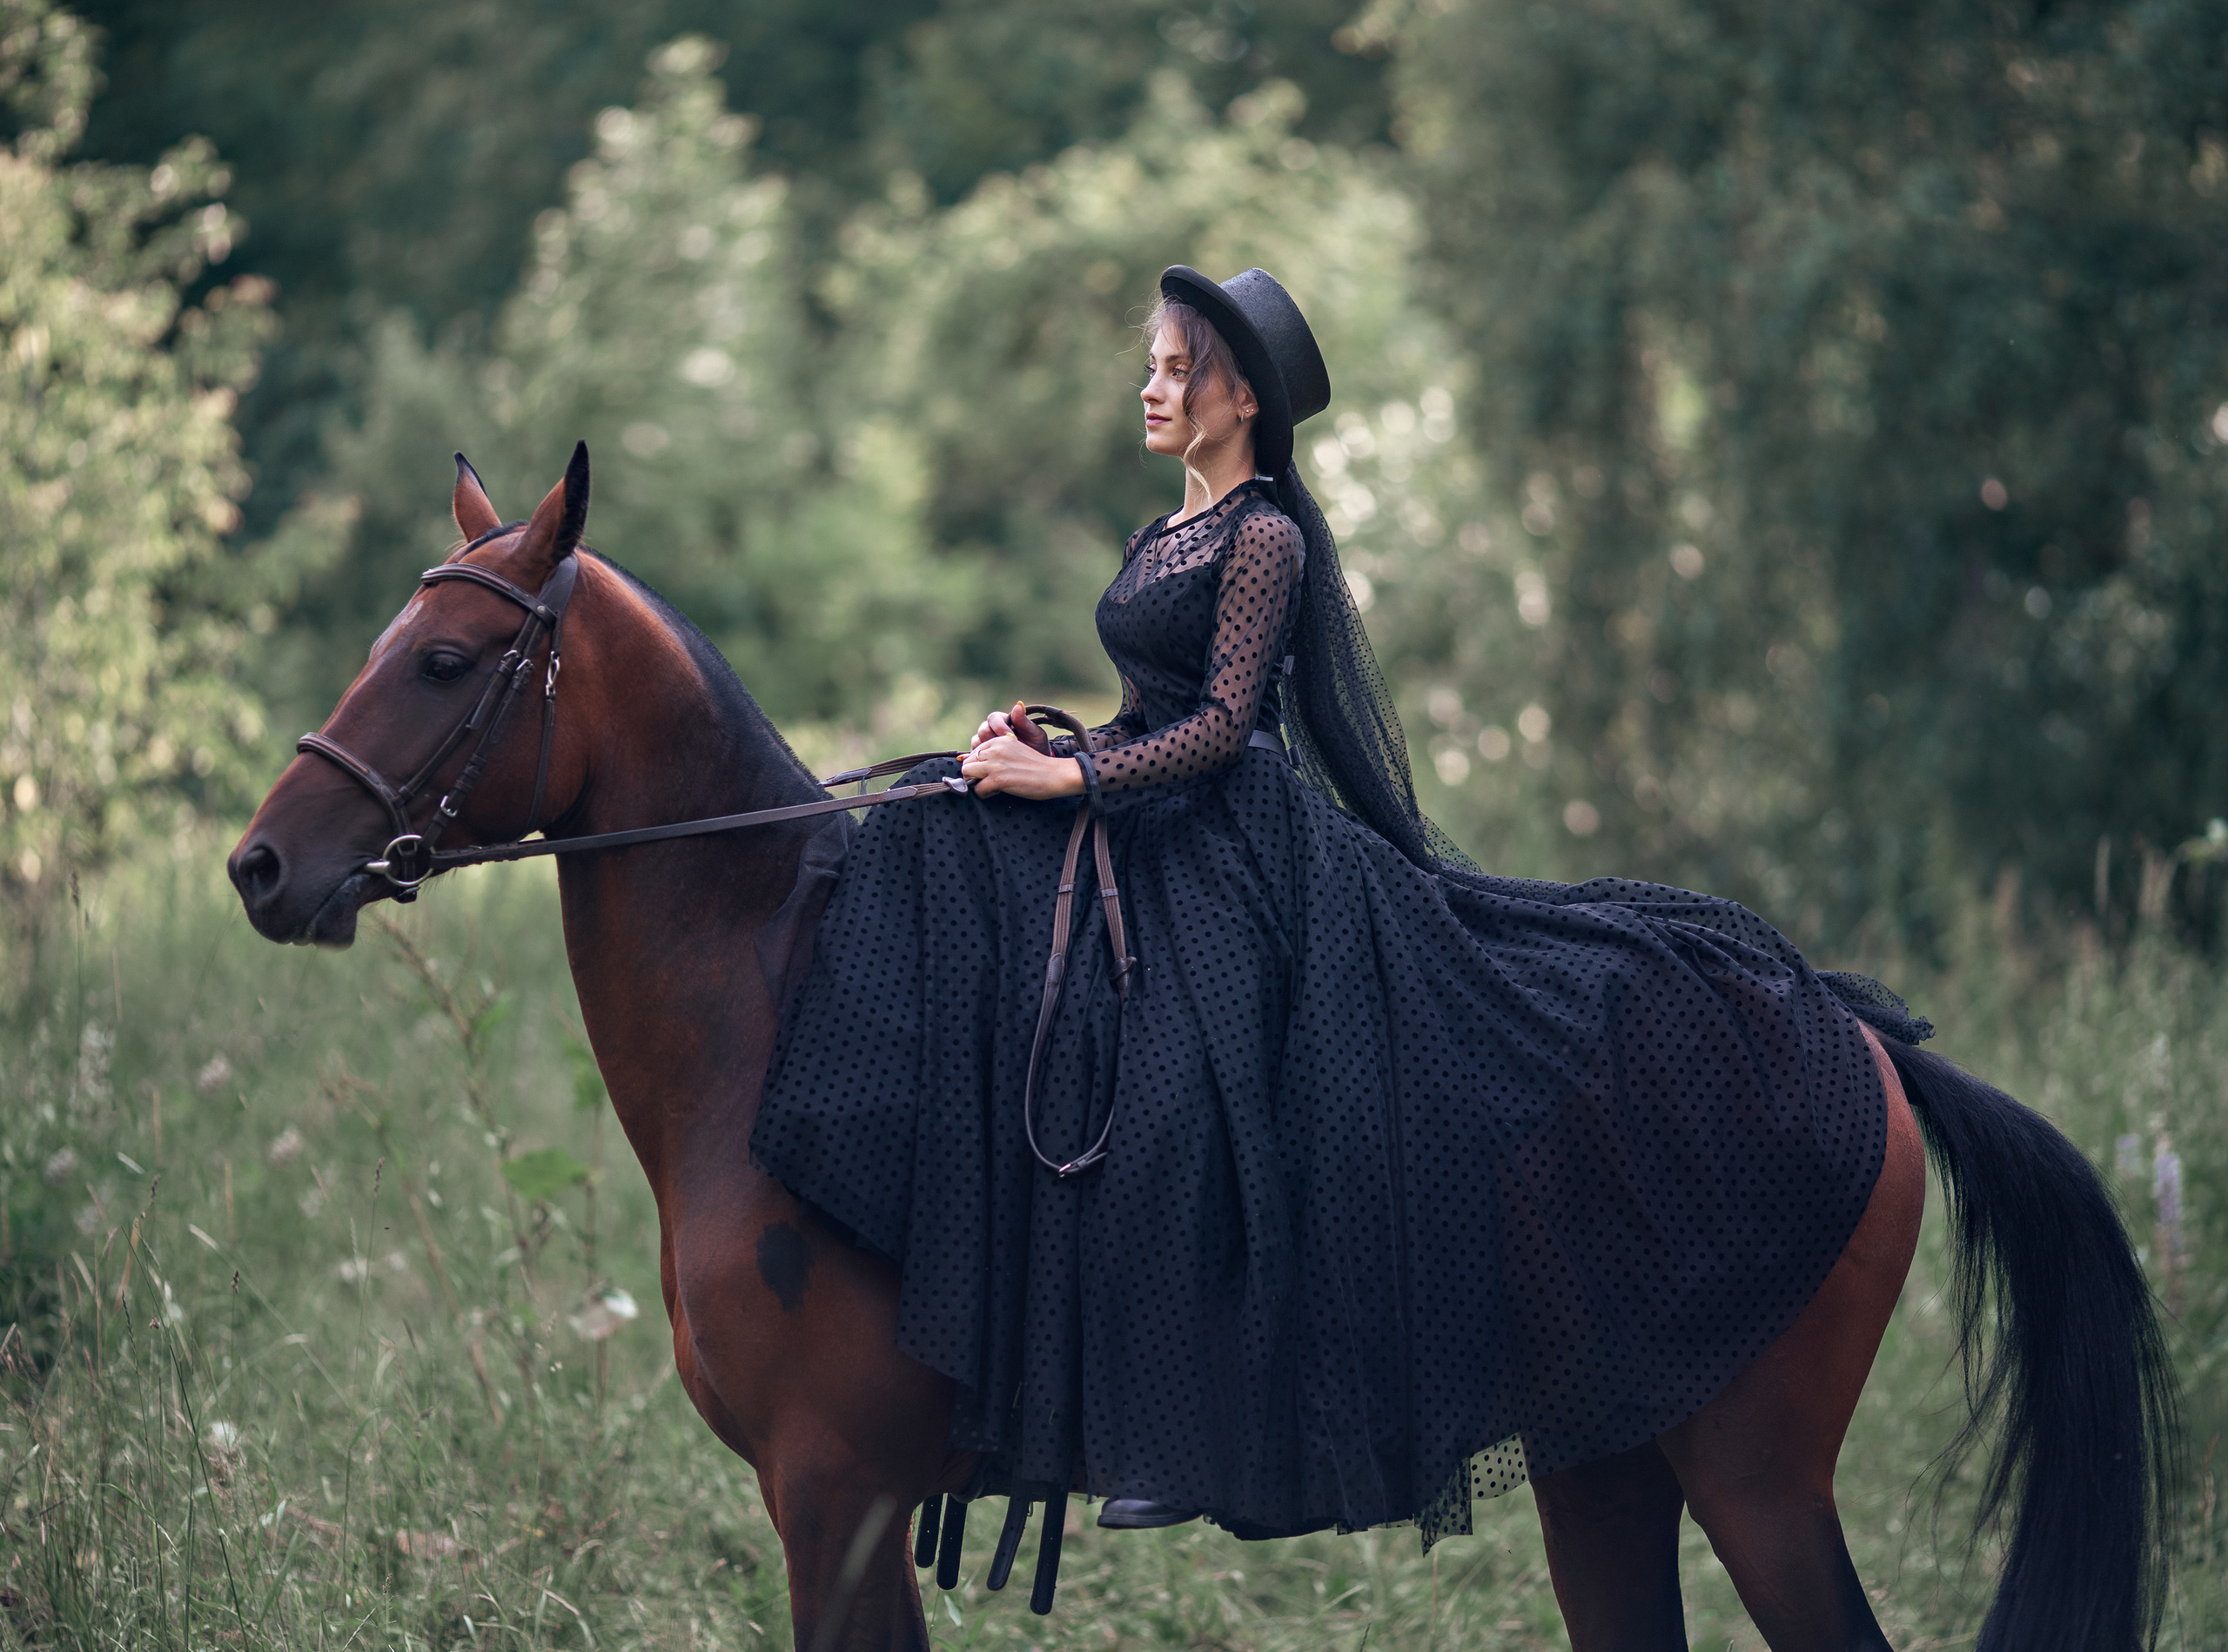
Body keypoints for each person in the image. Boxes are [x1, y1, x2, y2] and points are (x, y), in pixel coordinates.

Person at [750, 266, 1928, 1541]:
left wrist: (1073, 771)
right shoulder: (1166, 534)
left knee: (1180, 1092)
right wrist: (1045, 739)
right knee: (950, 830)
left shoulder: (1265, 536)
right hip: (1156, 817)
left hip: (1243, 848)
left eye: (1174, 367)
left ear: (1241, 395)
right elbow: (1152, 707)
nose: (1149, 385)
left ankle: (1193, 1417)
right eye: (1150, 364)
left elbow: (1218, 728)